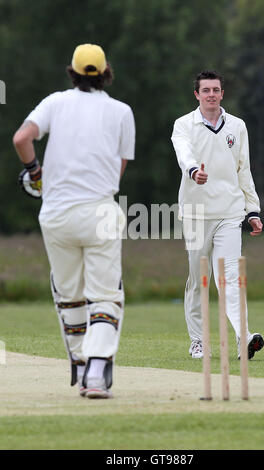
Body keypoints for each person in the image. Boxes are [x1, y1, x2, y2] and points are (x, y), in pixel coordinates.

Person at [13, 43, 135, 398]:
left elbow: (22, 138)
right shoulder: (122, 112)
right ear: (106, 71)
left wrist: (36, 172)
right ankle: (97, 372)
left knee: (69, 294)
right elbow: (119, 170)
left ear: (73, 71)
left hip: (56, 213)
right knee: (105, 294)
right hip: (99, 211)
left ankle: (81, 363)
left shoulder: (54, 102)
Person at [171, 70, 264, 360]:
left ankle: (243, 337)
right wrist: (193, 171)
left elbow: (243, 170)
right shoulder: (183, 124)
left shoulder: (237, 126)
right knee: (200, 278)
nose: (211, 94)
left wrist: (252, 210)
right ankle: (198, 340)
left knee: (231, 277)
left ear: (222, 94)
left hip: (229, 212)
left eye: (216, 90)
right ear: (196, 94)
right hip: (197, 213)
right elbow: (183, 151)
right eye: (206, 90)